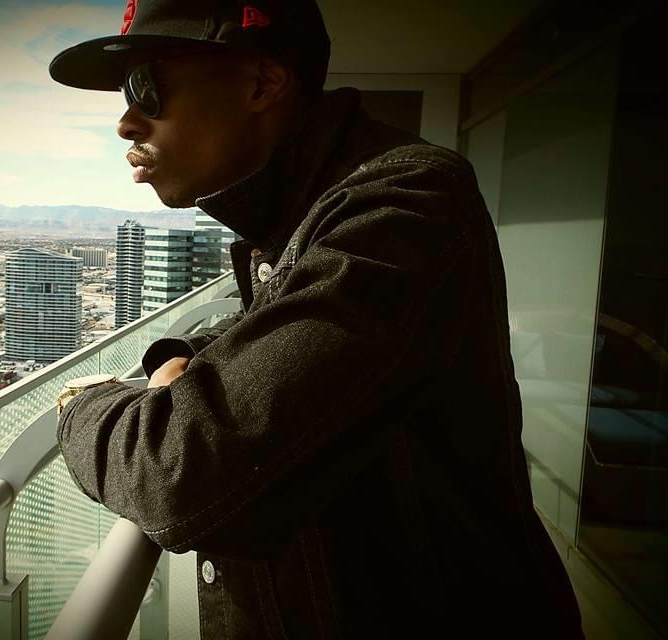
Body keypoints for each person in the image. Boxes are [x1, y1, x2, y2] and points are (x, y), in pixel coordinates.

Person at [48, 1, 584, 637]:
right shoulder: (303, 213)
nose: (126, 122)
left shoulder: (403, 205)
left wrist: (80, 405)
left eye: (146, 86)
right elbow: (275, 331)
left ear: (262, 83)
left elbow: (176, 473)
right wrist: (176, 355)